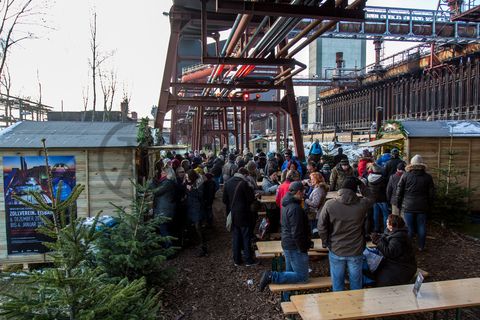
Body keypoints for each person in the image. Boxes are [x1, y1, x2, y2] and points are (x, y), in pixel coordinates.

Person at [318, 177, 374, 291]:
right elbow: (371, 197)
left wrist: (325, 242)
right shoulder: (362, 204)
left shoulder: (330, 204)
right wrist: (361, 185)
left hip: (336, 247)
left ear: (340, 189)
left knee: (337, 281)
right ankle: (357, 305)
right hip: (356, 249)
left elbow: (321, 226)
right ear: (355, 190)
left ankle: (339, 305)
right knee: (356, 281)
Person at [259, 181, 311, 301]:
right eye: (303, 192)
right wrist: (303, 247)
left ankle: (287, 299)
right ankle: (272, 276)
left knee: (290, 273)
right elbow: (297, 231)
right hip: (295, 246)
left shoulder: (286, 203)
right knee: (302, 276)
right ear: (298, 192)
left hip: (288, 243)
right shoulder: (295, 208)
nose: (304, 194)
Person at [396, 155, 434, 251]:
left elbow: (399, 192)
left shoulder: (405, 176)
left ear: (411, 164)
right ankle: (421, 246)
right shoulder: (428, 177)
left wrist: (399, 204)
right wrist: (429, 205)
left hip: (408, 206)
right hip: (422, 206)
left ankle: (409, 247)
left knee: (409, 227)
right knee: (422, 226)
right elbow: (431, 194)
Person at [223, 167, 258, 266]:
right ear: (245, 175)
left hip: (233, 214)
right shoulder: (244, 184)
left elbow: (224, 200)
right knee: (246, 237)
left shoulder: (228, 183)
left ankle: (237, 260)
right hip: (244, 214)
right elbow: (251, 199)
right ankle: (248, 260)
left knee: (236, 237)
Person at [370, 214, 417, 287]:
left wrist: (378, 241)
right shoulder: (391, 231)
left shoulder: (398, 238)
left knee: (382, 282)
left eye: (387, 222)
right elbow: (385, 239)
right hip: (394, 263)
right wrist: (379, 238)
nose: (386, 223)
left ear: (391, 225)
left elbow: (389, 253)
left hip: (403, 267)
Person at [185, 170, 207, 257]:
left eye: (187, 177)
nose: (186, 179)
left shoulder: (200, 183)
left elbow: (200, 195)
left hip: (198, 208)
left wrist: (191, 190)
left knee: (198, 228)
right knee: (193, 227)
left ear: (192, 177)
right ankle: (195, 244)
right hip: (191, 207)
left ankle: (203, 247)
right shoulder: (189, 183)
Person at [150, 167, 176, 239]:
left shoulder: (168, 183)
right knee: (164, 231)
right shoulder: (167, 182)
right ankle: (168, 247)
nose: (161, 173)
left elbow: (157, 191)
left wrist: (151, 182)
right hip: (165, 210)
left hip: (164, 211)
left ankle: (169, 248)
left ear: (167, 174)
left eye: (163, 172)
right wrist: (155, 181)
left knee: (164, 232)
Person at [367, 164, 389, 233]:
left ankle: (376, 228)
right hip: (382, 199)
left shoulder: (369, 178)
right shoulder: (383, 179)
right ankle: (386, 229)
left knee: (375, 214)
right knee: (385, 214)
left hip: (374, 199)